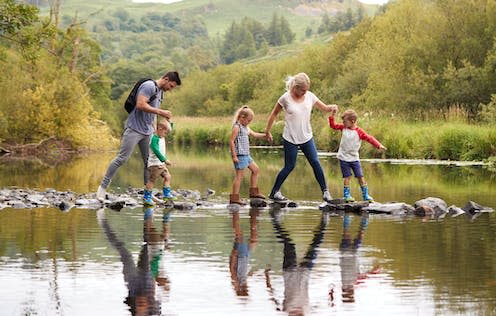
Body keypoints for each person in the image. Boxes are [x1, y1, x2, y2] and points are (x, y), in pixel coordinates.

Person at [96, 71, 181, 201]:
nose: (170, 90)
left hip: (148, 132)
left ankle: (147, 192)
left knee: (149, 163)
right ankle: (102, 188)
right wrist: (161, 111)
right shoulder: (149, 86)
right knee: (122, 158)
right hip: (134, 128)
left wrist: (154, 130)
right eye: (171, 86)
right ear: (166, 79)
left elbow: (152, 115)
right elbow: (140, 104)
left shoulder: (160, 93)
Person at [264, 72, 337, 203]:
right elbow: (273, 114)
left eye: (306, 90)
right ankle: (274, 192)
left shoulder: (310, 96)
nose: (305, 92)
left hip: (306, 137)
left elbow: (325, 108)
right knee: (289, 166)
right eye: (302, 90)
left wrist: (332, 107)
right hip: (290, 137)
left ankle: (326, 192)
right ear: (295, 87)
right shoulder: (285, 98)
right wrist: (267, 131)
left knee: (315, 162)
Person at [328, 109, 386, 202]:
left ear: (352, 121)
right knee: (347, 176)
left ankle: (366, 195)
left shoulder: (359, 131)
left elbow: (369, 138)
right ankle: (347, 195)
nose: (343, 123)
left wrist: (378, 145)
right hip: (343, 157)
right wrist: (332, 116)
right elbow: (333, 126)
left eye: (345, 121)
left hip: (354, 158)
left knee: (360, 176)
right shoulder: (343, 128)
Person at [229, 106, 267, 205]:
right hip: (239, 155)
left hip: (246, 155)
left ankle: (254, 192)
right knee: (239, 176)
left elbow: (254, 134)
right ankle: (234, 198)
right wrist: (234, 156)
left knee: (256, 170)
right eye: (248, 120)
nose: (249, 122)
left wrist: (265, 135)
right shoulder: (237, 127)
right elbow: (232, 141)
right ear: (242, 117)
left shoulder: (245, 127)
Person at [229, 208, 259, 296]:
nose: (248, 290)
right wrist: (251, 274)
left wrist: (233, 255)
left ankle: (235, 212)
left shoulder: (236, 284)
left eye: (246, 292)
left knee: (239, 235)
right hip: (246, 256)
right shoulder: (243, 283)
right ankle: (253, 214)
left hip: (240, 255)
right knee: (254, 239)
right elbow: (243, 274)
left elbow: (232, 270)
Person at [143, 120, 174, 205]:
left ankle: (166, 194)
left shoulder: (161, 137)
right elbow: (156, 150)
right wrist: (164, 160)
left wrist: (169, 120)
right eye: (165, 133)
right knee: (152, 180)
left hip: (161, 164)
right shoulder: (154, 139)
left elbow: (169, 127)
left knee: (167, 176)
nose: (166, 135)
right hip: (155, 164)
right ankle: (147, 197)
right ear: (159, 129)